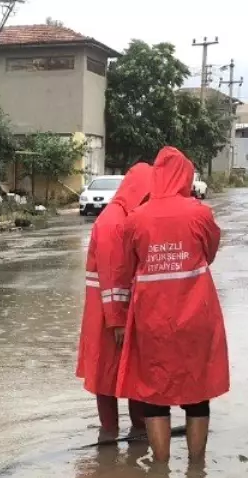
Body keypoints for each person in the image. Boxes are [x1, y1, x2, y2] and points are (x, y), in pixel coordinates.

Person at [117, 147, 229, 464]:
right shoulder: (200, 214)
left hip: (153, 319)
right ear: (186, 176)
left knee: (154, 394)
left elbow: (128, 267)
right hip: (197, 314)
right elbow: (209, 253)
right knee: (197, 393)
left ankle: (161, 467)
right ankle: (196, 469)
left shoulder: (136, 219)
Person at [76, 163, 153, 439]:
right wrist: (118, 320)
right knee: (106, 377)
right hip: (110, 316)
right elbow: (112, 276)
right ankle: (111, 435)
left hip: (114, 312)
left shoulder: (124, 217)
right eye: (149, 194)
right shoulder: (113, 222)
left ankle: (136, 433)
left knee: (128, 374)